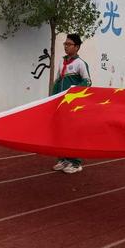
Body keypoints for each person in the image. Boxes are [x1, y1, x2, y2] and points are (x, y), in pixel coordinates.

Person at [52, 34, 91, 174]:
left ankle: (75, 162)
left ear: (77, 47)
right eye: (65, 44)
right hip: (60, 104)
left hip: (73, 105)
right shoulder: (62, 62)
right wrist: (52, 98)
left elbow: (87, 82)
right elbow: (57, 81)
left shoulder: (80, 63)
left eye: (69, 44)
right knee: (60, 131)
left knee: (72, 132)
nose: (66, 46)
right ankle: (64, 159)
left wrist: (73, 93)